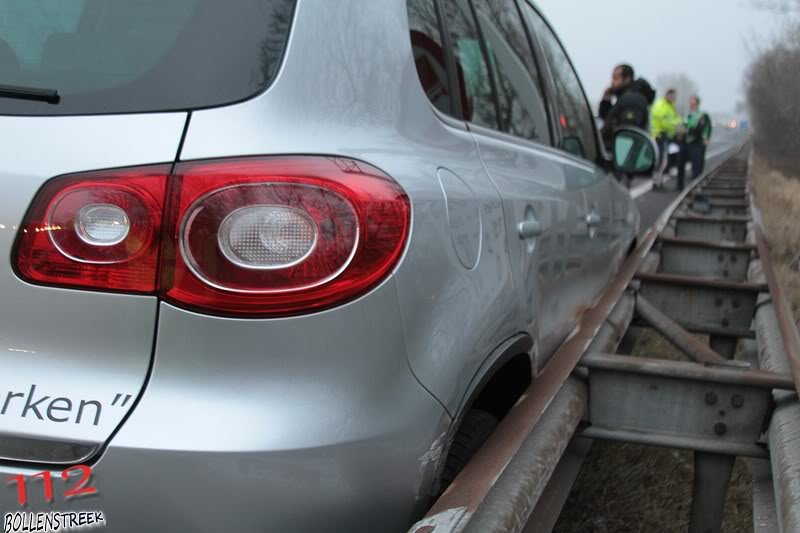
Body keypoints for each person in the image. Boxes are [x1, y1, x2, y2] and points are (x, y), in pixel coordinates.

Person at [598, 64, 656, 150]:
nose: (612, 82)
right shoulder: (624, 98)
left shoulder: (632, 101)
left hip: (619, 157)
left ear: (627, 79)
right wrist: (606, 102)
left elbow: (627, 134)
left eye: (615, 78)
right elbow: (610, 121)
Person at [651, 89, 684, 189]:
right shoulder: (661, 105)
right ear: (668, 95)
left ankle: (659, 181)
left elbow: (677, 118)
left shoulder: (670, 106)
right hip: (659, 136)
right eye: (673, 96)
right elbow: (665, 122)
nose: (675, 99)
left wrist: (678, 124)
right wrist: (677, 127)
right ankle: (656, 182)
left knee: (664, 160)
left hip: (666, 137)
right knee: (660, 161)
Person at [682, 96, 713, 179]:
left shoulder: (702, 116)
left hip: (698, 143)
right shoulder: (687, 116)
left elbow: (706, 128)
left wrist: (707, 138)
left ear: (698, 104)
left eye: (693, 103)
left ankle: (697, 180)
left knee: (698, 165)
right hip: (688, 143)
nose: (692, 105)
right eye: (690, 103)